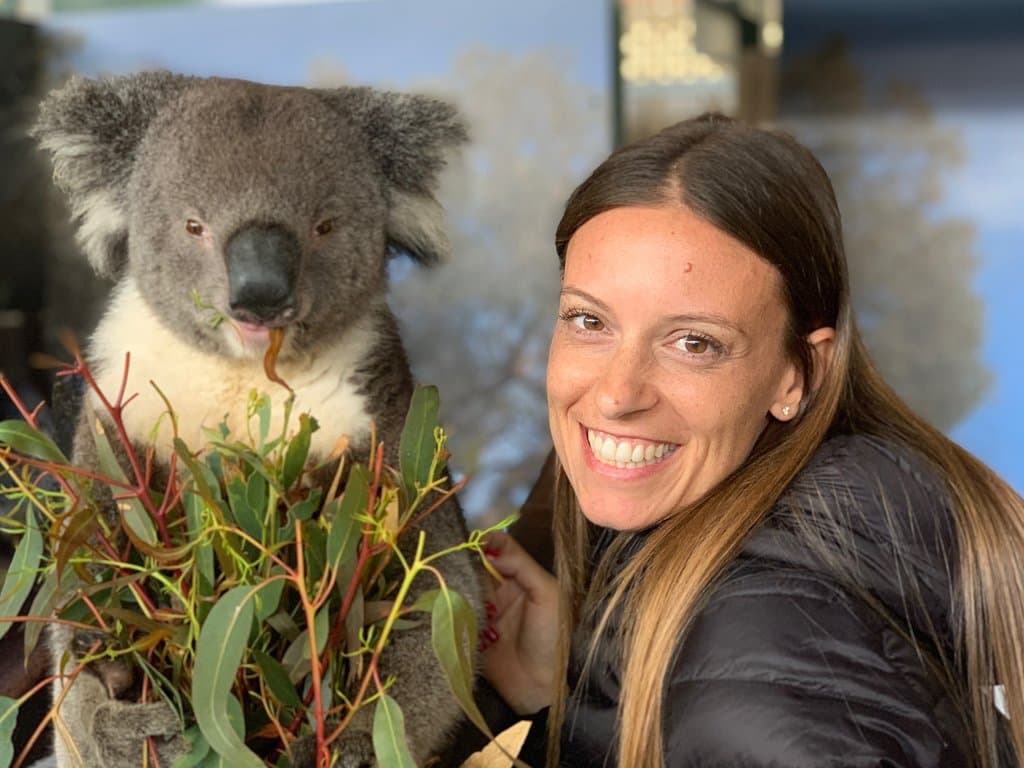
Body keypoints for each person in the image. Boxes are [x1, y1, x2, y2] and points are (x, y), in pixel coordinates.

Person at [479, 113, 1024, 768]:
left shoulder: (772, 641)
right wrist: (569, 692)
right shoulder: (769, 588)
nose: (618, 394)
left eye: (694, 343)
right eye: (588, 320)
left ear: (799, 373)